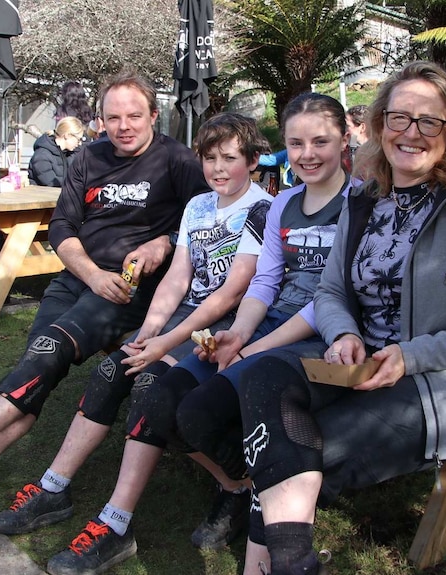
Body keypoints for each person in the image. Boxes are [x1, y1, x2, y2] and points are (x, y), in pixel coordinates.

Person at [234, 61, 446, 575]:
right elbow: (330, 292)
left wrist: (411, 355)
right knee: (259, 377)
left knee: (299, 447)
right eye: (399, 118)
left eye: (429, 122)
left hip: (439, 384)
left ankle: (273, 563)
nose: (410, 133)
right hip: (360, 364)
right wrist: (345, 332)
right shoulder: (364, 198)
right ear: (378, 126)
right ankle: (294, 563)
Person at [0, 69, 211, 519]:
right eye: (113, 117)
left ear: (153, 114)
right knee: (36, 366)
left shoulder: (178, 161)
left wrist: (163, 242)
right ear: (99, 120)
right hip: (79, 279)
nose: (123, 126)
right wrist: (88, 273)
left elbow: (205, 220)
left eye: (134, 116)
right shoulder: (88, 157)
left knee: (47, 352)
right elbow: (64, 228)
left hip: (128, 290)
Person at [39, 92, 356, 575]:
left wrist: (244, 344)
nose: (307, 153)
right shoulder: (280, 203)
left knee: (162, 394)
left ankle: (219, 505)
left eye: (320, 141)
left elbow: (320, 294)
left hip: (309, 335)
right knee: (156, 396)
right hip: (254, 323)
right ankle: (78, 495)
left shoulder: (336, 204)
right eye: (297, 143)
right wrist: (152, 333)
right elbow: (262, 283)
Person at [0, 112, 273, 575]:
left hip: (227, 325)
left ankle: (117, 523)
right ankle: (52, 488)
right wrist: (146, 335)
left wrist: (167, 343)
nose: (218, 168)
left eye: (230, 158)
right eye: (209, 158)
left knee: (150, 388)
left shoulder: (262, 208)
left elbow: (232, 292)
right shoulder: (199, 205)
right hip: (185, 318)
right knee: (112, 369)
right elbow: (177, 279)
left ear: (253, 161)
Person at [28, 116, 86, 187]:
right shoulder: (41, 156)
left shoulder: (69, 153)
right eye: (78, 139)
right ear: (67, 135)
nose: (79, 143)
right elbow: (51, 183)